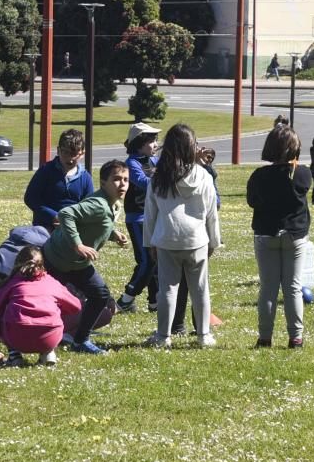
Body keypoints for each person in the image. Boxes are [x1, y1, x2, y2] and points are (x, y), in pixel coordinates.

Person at [143, 124, 221, 350]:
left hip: (166, 237)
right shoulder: (203, 176)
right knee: (200, 288)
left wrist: (149, 242)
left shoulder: (158, 178)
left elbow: (150, 214)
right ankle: (204, 335)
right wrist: (214, 241)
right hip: (196, 238)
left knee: (167, 289)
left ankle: (162, 336)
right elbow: (211, 213)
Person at [42, 159, 130, 355]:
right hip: (56, 260)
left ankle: (80, 340)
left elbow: (95, 223)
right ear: (103, 182)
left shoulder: (113, 204)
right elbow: (66, 214)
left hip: (77, 263)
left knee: (100, 295)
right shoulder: (98, 203)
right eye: (116, 179)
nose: (122, 184)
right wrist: (78, 244)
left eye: (125, 179)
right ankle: (41, 338)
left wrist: (113, 234)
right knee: (48, 301)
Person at [246, 126, 312, 348]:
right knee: (293, 287)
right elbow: (304, 186)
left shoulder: (259, 175)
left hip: (266, 233)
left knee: (268, 287)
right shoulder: (301, 173)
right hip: (295, 234)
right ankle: (296, 337)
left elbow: (252, 201)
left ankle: (265, 337)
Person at [0, 246, 83, 367]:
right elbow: (76, 305)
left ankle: (14, 355)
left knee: (5, 315)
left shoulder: (11, 283)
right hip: (49, 336)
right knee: (53, 314)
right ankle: (48, 352)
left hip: (16, 337)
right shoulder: (51, 282)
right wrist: (58, 310)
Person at [117, 122, 161, 314]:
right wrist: (164, 178)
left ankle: (154, 302)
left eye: (156, 140)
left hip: (152, 218)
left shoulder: (153, 161)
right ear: (140, 143)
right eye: (151, 141)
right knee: (146, 261)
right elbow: (144, 183)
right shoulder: (132, 163)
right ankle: (126, 300)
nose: (155, 144)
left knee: (156, 262)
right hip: (137, 219)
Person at [23, 129, 94, 231]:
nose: (69, 158)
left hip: (73, 229)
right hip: (45, 226)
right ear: (58, 150)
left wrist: (71, 221)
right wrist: (53, 216)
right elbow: (30, 198)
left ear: (82, 153)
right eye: (65, 152)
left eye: (74, 154)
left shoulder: (85, 177)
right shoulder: (46, 171)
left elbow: (88, 207)